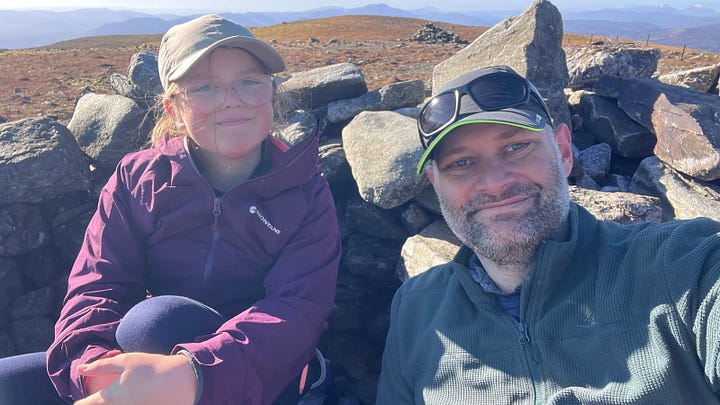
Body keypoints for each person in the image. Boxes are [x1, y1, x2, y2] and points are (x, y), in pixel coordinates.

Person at [0, 14, 340, 405]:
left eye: (249, 81)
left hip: (254, 373)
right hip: (145, 358)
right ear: (174, 109)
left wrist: (192, 374)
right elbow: (96, 286)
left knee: (157, 322)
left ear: (271, 94)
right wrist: (95, 369)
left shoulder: (306, 192)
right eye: (206, 87)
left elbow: (297, 311)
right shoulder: (137, 178)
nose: (232, 98)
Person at [375, 65, 720, 404]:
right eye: (460, 163)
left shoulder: (685, 266)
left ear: (564, 152)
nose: (496, 182)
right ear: (437, 187)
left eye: (516, 147)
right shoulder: (416, 308)